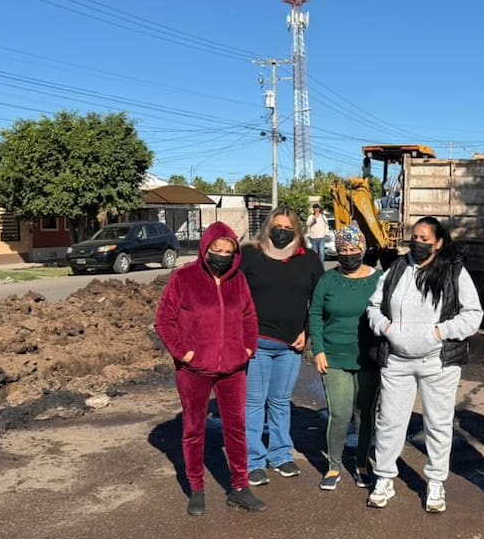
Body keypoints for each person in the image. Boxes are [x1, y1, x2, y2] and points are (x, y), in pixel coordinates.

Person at [365, 216, 482, 513]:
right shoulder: (397, 268)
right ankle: (384, 478)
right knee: (390, 422)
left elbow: (473, 314)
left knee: (438, 425)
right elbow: (373, 307)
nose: (417, 242)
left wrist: (440, 332)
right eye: (414, 237)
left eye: (424, 238)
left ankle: (435, 484)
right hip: (397, 362)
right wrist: (386, 329)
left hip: (438, 363)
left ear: (439, 242)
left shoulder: (454, 271)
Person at [154, 222, 266, 515]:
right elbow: (164, 321)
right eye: (217, 250)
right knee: (193, 429)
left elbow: (249, 316)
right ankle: (196, 488)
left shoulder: (238, 280)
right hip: (194, 371)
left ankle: (240, 488)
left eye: (229, 252)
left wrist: (247, 349)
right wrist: (183, 353)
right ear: (206, 249)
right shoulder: (184, 278)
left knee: (236, 428)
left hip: (232, 369)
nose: (223, 256)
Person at [240, 207, 325, 485]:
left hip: (291, 346)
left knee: (279, 402)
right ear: (268, 227)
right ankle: (253, 460)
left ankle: (279, 454)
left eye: (288, 229)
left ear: (297, 231)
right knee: (254, 403)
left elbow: (319, 300)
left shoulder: (309, 260)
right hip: (257, 345)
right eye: (277, 226)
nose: (282, 232)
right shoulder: (250, 255)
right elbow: (234, 295)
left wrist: (308, 333)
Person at [309, 224, 383, 491]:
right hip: (334, 356)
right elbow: (315, 314)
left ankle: (362, 463)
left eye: (353, 249)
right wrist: (318, 349)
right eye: (343, 249)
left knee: (364, 413)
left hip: (369, 357)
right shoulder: (328, 280)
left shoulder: (379, 279)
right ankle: (334, 465)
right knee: (340, 413)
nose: (348, 254)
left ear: (362, 249)